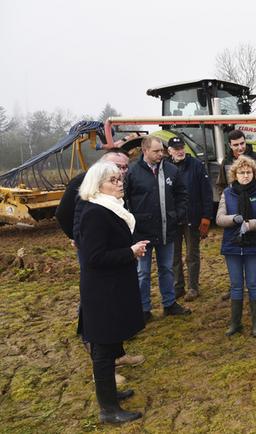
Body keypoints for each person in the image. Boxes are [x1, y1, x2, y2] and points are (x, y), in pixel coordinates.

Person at [56, 150, 144, 385]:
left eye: (124, 171)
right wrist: (76, 237)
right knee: (101, 328)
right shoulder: (93, 208)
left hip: (112, 272)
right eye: (115, 174)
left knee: (113, 323)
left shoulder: (113, 205)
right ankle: (104, 380)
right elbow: (64, 214)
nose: (121, 178)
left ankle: (118, 356)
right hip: (100, 279)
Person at [75, 161, 150, 424]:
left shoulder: (111, 209)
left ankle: (111, 395)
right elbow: (94, 257)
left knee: (110, 345)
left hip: (112, 287)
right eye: (114, 181)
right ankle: (108, 409)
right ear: (98, 186)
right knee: (103, 351)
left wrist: (131, 250)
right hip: (102, 292)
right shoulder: (95, 213)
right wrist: (130, 252)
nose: (120, 184)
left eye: (120, 179)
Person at [125, 136, 191, 322]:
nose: (160, 154)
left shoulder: (171, 170)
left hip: (166, 229)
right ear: (144, 151)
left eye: (161, 150)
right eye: (156, 151)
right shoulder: (132, 172)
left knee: (166, 269)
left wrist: (177, 214)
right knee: (143, 273)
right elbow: (124, 199)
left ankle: (169, 304)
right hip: (141, 233)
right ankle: (144, 309)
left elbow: (182, 194)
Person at [216, 156, 256, 337]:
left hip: (253, 244)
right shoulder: (227, 193)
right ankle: (235, 322)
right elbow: (219, 218)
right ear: (235, 174)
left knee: (254, 284)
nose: (245, 175)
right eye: (242, 172)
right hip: (232, 245)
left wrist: (250, 225)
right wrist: (234, 219)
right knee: (236, 285)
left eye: (249, 172)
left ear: (254, 174)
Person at [218, 129, 256, 301]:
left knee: (255, 248)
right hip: (233, 208)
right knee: (233, 248)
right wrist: (227, 203)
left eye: (242, 143)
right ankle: (236, 286)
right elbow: (221, 184)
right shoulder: (226, 162)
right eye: (236, 145)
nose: (240, 147)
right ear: (230, 145)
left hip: (254, 206)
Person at [167, 137, 213, 302]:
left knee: (192, 254)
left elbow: (206, 193)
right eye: (176, 148)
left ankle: (193, 287)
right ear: (169, 150)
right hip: (173, 219)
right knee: (174, 255)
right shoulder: (165, 167)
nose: (180, 151)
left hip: (192, 217)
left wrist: (206, 217)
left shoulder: (196, 166)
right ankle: (178, 287)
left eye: (181, 147)